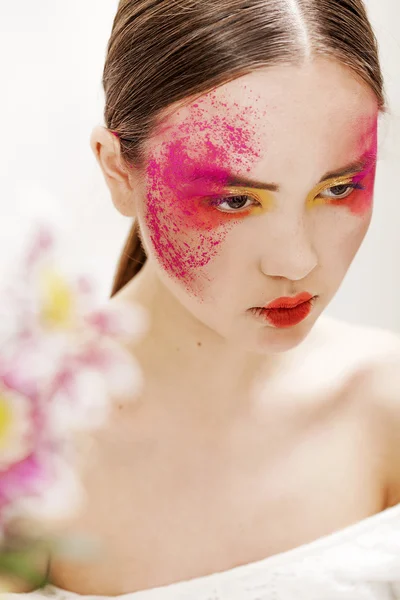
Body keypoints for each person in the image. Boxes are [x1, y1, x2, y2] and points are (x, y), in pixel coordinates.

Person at [5, 0, 400, 598]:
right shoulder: (30, 447)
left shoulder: (385, 407)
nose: (297, 261)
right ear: (118, 172)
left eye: (338, 188)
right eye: (236, 201)